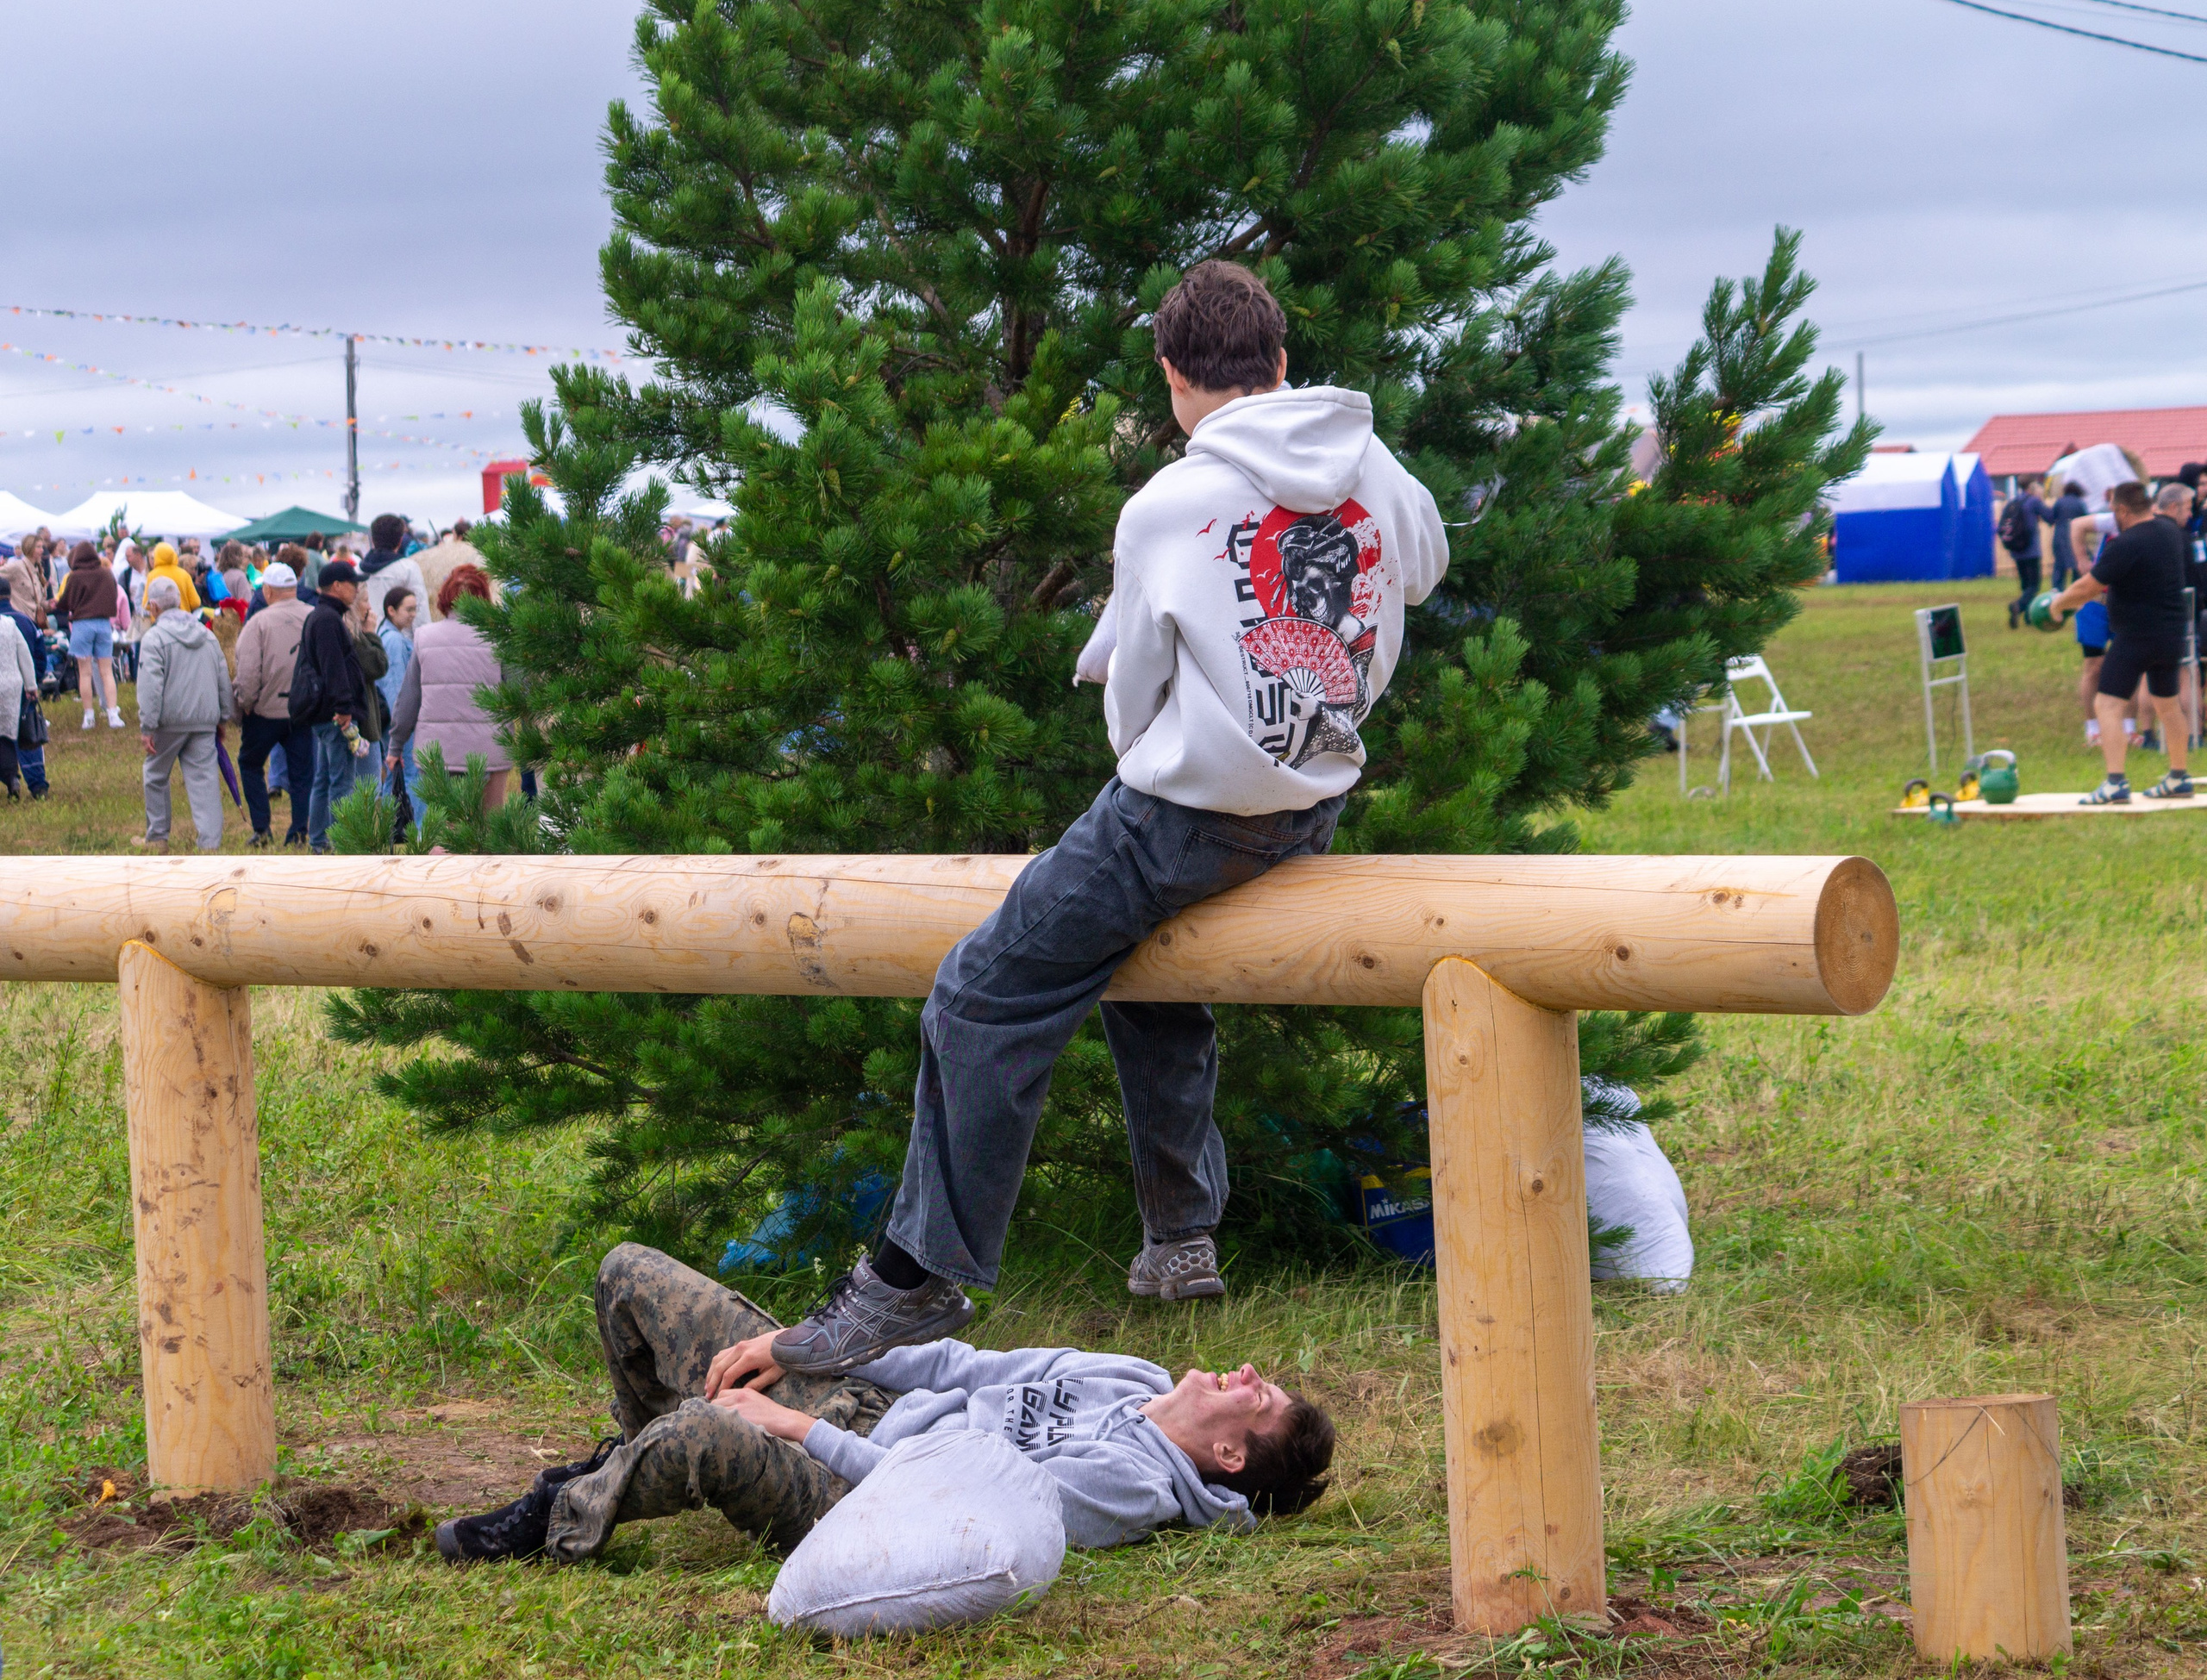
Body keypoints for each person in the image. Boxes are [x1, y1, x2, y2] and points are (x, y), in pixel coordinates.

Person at [762, 262, 1448, 1375]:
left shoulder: (1169, 503)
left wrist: (1160, 740)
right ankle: (1180, 1234)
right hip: (1312, 800)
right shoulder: (1369, 462)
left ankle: (916, 1277)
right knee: (1144, 967)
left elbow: (1133, 690)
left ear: (1175, 376)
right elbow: (1422, 566)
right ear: (1279, 362)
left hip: (1186, 814)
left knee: (983, 993)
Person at [433, 1241, 1334, 1564]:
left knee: (713, 1428)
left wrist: (794, 1425)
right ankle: (641, 1455)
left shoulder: (1133, 1488)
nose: (1248, 1370)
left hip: (861, 1491)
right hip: (857, 1398)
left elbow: (958, 1493)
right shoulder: (1133, 1374)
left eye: (1260, 1397)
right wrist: (797, 1352)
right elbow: (966, 1363)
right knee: (629, 1272)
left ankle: (558, 1513)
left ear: (1227, 1456)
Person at [2047, 479, 2192, 802]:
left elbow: (2088, 587)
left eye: (2114, 512)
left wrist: (2057, 605)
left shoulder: (2126, 544)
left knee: (2107, 703)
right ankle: (2178, 777)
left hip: (2137, 636)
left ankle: (2115, 783)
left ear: (2123, 510)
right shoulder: (2169, 532)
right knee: (2167, 705)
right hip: (2172, 633)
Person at [387, 564, 511, 813]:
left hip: (438, 754)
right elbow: (521, 694)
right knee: (491, 831)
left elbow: (409, 699)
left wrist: (395, 746)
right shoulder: (500, 639)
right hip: (490, 751)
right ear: (484, 597)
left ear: (444, 598)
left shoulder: (424, 637)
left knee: (444, 830)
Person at [134, 576, 234, 852]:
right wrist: (223, 716)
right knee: (205, 782)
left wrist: (147, 726)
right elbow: (222, 676)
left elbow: (150, 686)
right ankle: (210, 846)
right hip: (204, 721)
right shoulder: (206, 634)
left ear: (153, 607)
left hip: (168, 722)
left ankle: (158, 838)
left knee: (155, 775)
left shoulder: (154, 638)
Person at [230, 559, 316, 848]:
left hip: (265, 712)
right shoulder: (315, 617)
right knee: (303, 773)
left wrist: (245, 703)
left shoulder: (258, 623)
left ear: (267, 590)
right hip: (305, 711)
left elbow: (248, 672)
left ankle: (262, 828)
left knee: (250, 762)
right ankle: (300, 830)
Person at [291, 558, 373, 852]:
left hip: (326, 715)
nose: (356, 589)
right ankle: (341, 844)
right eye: (353, 584)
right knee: (341, 783)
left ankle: (319, 841)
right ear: (337, 586)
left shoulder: (321, 615)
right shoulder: (327, 620)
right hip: (336, 716)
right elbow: (333, 667)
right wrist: (344, 708)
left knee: (324, 780)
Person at [53, 541, 125, 729]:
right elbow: (115, 593)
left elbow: (65, 601)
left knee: (85, 672)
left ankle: (89, 716)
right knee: (107, 671)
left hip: (82, 625)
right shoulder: (106, 573)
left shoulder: (74, 576)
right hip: (103, 624)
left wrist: (56, 605)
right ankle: (112, 714)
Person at [374, 584, 422, 824]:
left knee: (395, 775)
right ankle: (421, 830)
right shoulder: (393, 641)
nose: (412, 614)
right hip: (400, 722)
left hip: (395, 723)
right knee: (412, 774)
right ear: (390, 610)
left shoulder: (387, 634)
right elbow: (397, 688)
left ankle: (387, 827)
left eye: (415, 609)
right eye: (408, 609)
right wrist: (400, 731)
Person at [0, 578, 47, 798]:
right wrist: (32, 684)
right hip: (15, 686)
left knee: (4, 738)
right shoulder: (22, 622)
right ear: (10, 594)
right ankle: (38, 785)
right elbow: (31, 657)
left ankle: (11, 779)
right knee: (26, 734)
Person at [359, 513, 428, 629]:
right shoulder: (408, 569)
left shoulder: (358, 570)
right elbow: (420, 609)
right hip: (399, 640)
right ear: (400, 541)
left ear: (372, 539)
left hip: (366, 640)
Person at [2001, 474, 2052, 628]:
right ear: (2032, 487)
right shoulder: (2033, 501)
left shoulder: (2012, 502)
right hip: (2031, 550)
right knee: (2034, 586)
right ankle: (2018, 606)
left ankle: (2029, 618)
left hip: (2017, 551)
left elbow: (2001, 527)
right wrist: (2040, 497)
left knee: (2025, 585)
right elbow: (2050, 517)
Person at [2048, 478, 2089, 593]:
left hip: (2059, 537)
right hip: (2075, 536)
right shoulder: (2080, 503)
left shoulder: (2059, 502)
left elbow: (2051, 518)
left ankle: (2056, 591)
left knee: (2059, 566)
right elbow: (2086, 519)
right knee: (2077, 565)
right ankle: (2075, 591)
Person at [147, 540, 202, 615]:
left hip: (161, 621)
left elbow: (147, 605)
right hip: (183, 620)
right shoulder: (184, 574)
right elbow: (196, 603)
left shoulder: (152, 575)